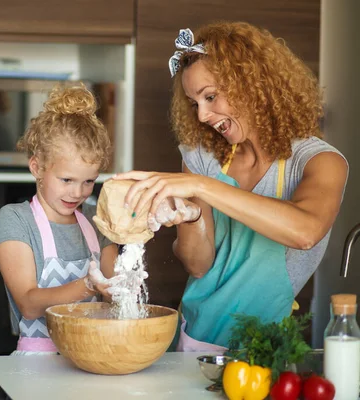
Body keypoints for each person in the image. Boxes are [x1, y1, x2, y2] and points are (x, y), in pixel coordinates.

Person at [114, 22, 349, 351]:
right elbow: (198, 265)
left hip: (263, 349)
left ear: (251, 82)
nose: (202, 116)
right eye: (194, 103)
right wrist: (193, 217)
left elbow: (305, 231)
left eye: (210, 97)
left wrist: (201, 186)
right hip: (194, 337)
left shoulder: (317, 162)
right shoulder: (203, 157)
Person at [0, 84, 120, 355]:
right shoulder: (16, 220)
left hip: (95, 355)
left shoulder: (97, 220)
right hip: (39, 362)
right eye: (67, 180)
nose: (78, 193)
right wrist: (87, 285)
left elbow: (115, 292)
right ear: (37, 167)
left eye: (89, 181)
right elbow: (29, 303)